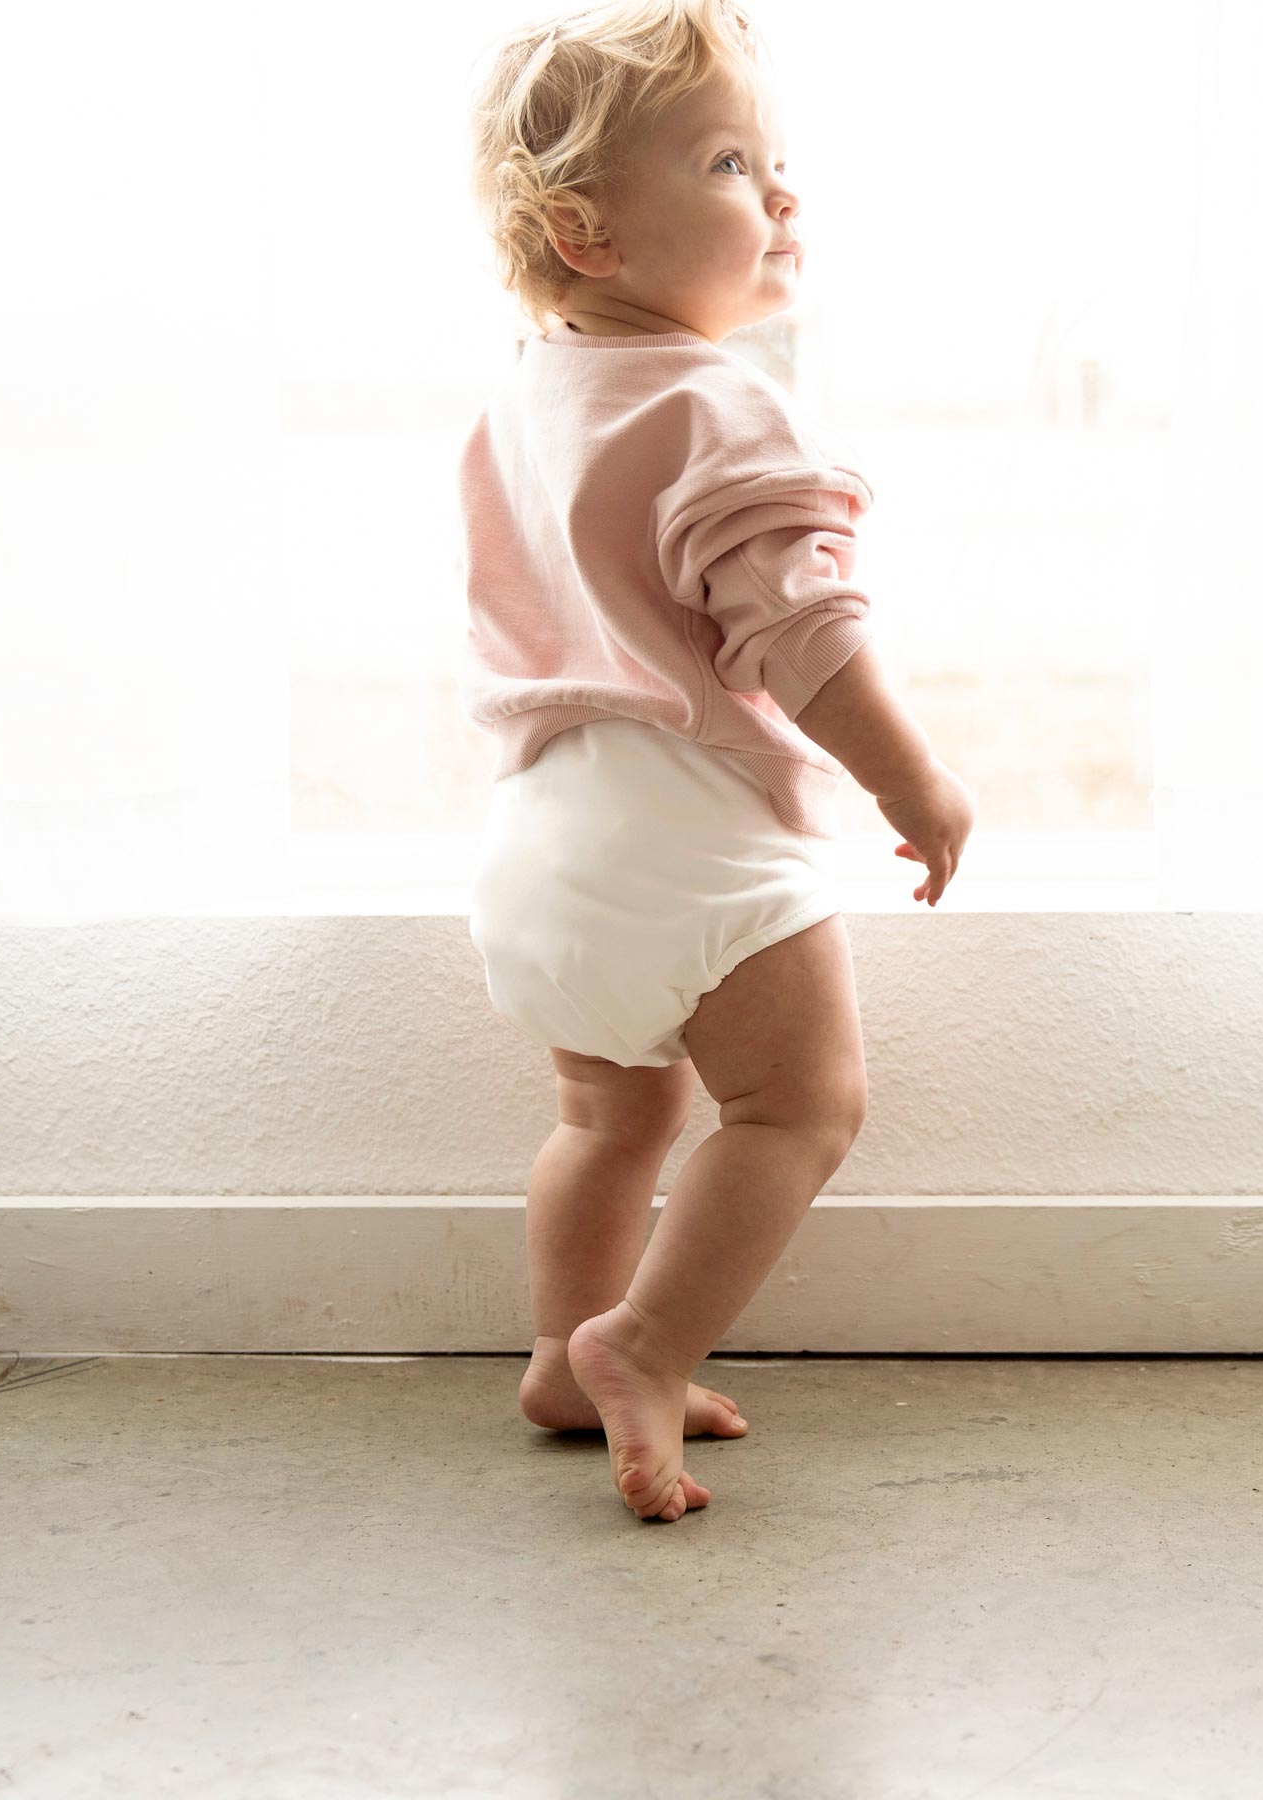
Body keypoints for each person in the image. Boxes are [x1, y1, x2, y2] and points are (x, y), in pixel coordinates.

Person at [459, 0, 975, 1523]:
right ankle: (642, 1341)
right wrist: (910, 782)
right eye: (731, 163)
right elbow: (798, 629)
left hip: (544, 838)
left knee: (606, 1120)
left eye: (772, 156)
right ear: (588, 232)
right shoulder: (714, 400)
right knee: (798, 1108)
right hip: (684, 832)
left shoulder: (527, 394)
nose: (783, 192)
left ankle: (561, 1352)